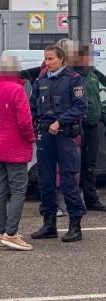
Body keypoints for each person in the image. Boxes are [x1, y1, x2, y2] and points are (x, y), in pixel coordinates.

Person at [30, 45, 88, 243]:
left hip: (64, 134)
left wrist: (60, 121)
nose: (48, 63)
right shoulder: (41, 81)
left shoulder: (73, 80)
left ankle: (75, 225)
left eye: (51, 59)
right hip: (45, 134)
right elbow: (32, 107)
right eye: (46, 59)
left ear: (62, 59)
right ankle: (49, 224)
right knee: (45, 179)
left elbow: (81, 106)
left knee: (68, 180)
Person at [0, 55, 35, 251]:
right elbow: (25, 121)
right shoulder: (17, 90)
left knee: (0, 191)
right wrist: (30, 138)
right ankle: (11, 234)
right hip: (15, 148)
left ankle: (1, 232)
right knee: (19, 190)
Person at [72, 43, 106, 211]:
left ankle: (91, 199)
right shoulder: (73, 76)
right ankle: (75, 201)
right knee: (74, 165)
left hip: (93, 126)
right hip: (78, 126)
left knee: (90, 164)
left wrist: (104, 119)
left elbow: (99, 102)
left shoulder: (93, 76)